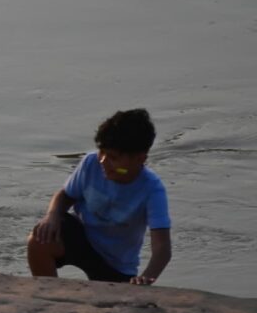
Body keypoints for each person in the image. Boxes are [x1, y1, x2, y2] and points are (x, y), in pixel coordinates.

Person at [26, 108, 171, 285]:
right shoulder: (90, 163)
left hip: (116, 263)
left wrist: (147, 277)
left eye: (113, 158)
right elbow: (66, 195)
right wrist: (52, 215)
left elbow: (162, 247)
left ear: (140, 159)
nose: (103, 161)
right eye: (102, 153)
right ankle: (47, 292)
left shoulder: (152, 189)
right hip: (82, 238)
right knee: (40, 238)